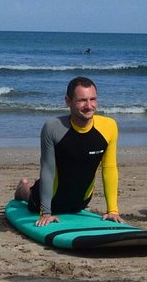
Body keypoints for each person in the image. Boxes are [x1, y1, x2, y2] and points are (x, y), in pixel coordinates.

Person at [14, 76, 121, 227]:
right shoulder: (53, 127)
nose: (89, 106)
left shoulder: (109, 126)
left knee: (76, 201)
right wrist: (46, 213)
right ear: (68, 101)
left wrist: (113, 210)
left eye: (93, 99)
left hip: (81, 201)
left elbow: (109, 168)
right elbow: (48, 170)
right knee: (29, 194)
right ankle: (22, 188)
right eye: (82, 100)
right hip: (48, 199)